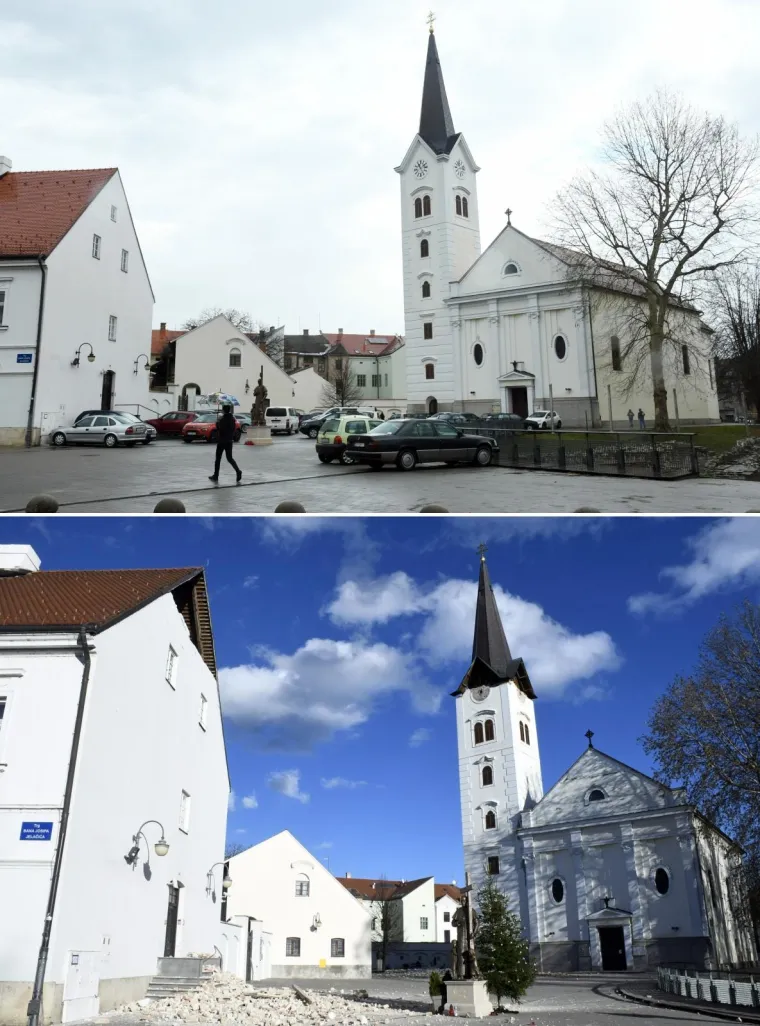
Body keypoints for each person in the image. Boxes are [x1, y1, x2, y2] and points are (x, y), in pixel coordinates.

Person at [209, 404, 242, 484]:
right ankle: (238, 471)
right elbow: (233, 429)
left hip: (222, 441)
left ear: (224, 410)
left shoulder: (223, 419)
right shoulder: (232, 419)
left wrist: (217, 423)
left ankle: (216, 476)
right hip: (229, 441)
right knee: (229, 458)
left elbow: (221, 429)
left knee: (218, 459)